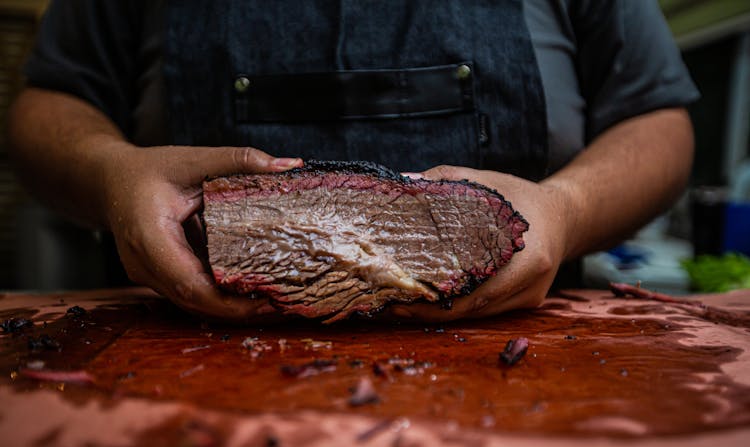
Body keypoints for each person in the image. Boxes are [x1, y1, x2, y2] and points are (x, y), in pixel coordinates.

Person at [8, 0, 699, 322]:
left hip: (523, 377)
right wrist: (108, 174)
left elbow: (658, 121)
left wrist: (568, 210)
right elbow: (49, 107)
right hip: (176, 373)